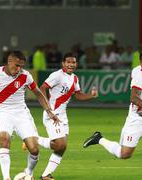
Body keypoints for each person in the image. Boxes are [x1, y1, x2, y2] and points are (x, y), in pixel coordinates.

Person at [0, 50, 60, 180]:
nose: (19, 69)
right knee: (4, 141)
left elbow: (38, 93)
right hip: (4, 113)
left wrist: (49, 111)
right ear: (9, 61)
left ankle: (28, 173)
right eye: (16, 65)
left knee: (34, 149)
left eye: (21, 66)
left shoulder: (26, 76)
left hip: (22, 114)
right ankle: (7, 178)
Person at [83, 48, 142, 180]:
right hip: (136, 119)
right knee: (124, 154)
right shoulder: (138, 77)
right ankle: (99, 139)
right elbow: (133, 98)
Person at [33, 52, 98, 180]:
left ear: (76, 64)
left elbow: (78, 95)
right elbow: (42, 87)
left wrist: (91, 95)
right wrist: (48, 110)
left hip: (63, 116)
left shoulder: (74, 78)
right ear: (63, 63)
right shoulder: (57, 75)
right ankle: (34, 140)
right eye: (68, 62)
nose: (70, 64)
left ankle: (46, 175)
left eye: (73, 62)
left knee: (61, 148)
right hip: (52, 114)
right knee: (60, 144)